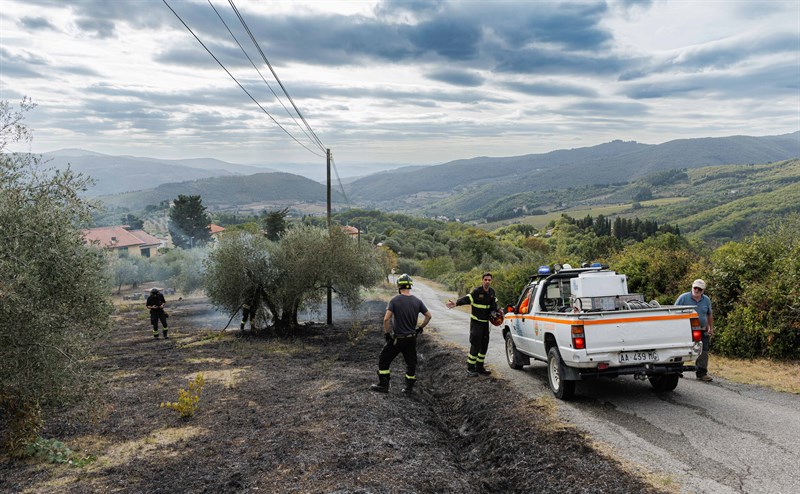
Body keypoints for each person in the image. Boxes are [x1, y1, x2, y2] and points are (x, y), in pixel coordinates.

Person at [370, 274, 432, 394]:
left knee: (384, 359)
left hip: (398, 339)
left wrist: (387, 334)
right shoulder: (417, 301)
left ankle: (383, 385)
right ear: (410, 286)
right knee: (411, 363)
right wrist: (420, 328)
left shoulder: (394, 300)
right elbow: (429, 316)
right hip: (411, 338)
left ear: (399, 286)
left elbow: (386, 319)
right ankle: (408, 389)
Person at [447, 272, 500, 377]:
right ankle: (470, 368)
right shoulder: (477, 292)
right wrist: (456, 303)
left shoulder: (492, 292)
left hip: (486, 324)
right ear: (482, 280)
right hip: (476, 324)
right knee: (475, 345)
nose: (487, 282)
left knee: (484, 346)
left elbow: (495, 305)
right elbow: (467, 299)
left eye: (489, 280)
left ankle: (479, 368)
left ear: (491, 281)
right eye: (485, 279)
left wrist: (497, 312)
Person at [676, 279, 714, 381]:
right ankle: (677, 370)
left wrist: (711, 327)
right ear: (692, 287)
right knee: (682, 348)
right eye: (695, 288)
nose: (696, 290)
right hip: (686, 330)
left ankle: (701, 373)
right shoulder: (683, 298)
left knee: (704, 350)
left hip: (702, 329)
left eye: (699, 289)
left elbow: (709, 313)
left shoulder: (706, 300)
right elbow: (674, 312)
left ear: (703, 290)